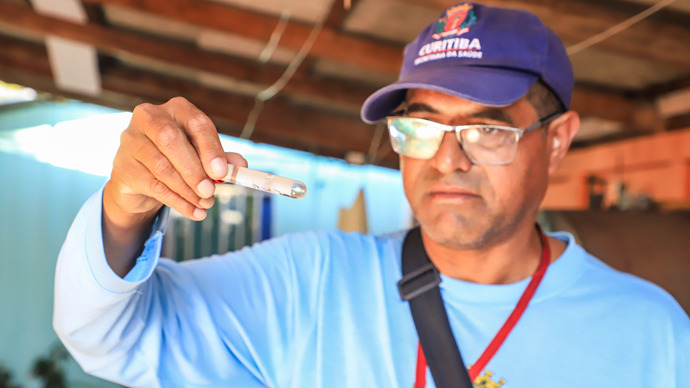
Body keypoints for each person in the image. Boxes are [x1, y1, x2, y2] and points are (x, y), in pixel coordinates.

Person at [54, 2, 689, 387]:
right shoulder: (311, 284)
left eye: (486, 128)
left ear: (556, 141)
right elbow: (111, 338)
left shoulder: (652, 333)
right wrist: (126, 207)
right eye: (420, 126)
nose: (446, 158)